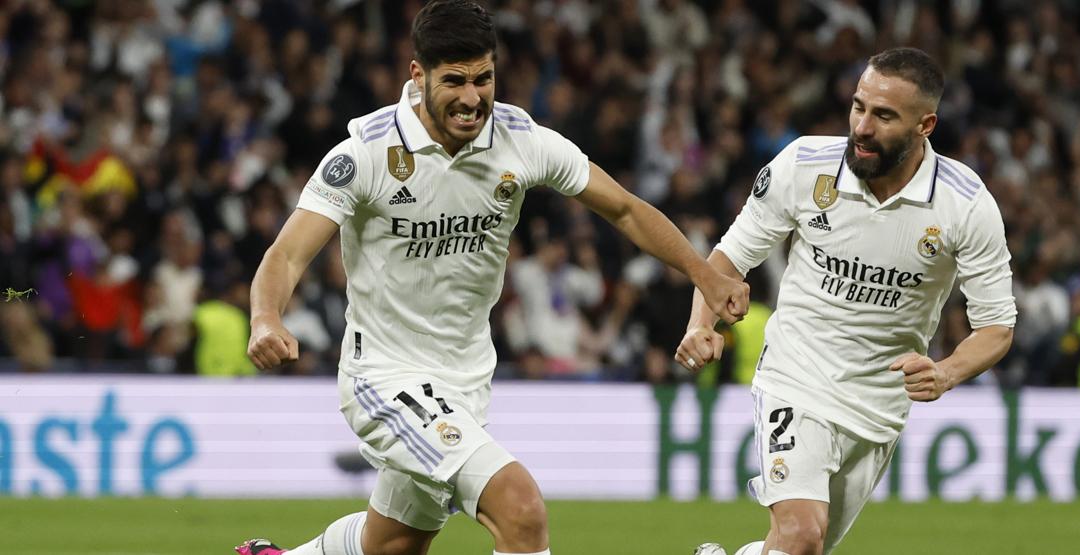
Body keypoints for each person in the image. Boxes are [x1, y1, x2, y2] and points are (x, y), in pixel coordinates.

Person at [235, 2, 749, 555]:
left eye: (484, 78)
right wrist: (266, 317)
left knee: (392, 545)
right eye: (454, 81)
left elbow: (623, 209)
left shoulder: (519, 140)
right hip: (384, 378)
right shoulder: (366, 152)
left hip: (466, 381)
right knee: (519, 506)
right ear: (418, 76)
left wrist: (703, 274)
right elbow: (285, 255)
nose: (472, 97)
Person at [681, 48, 1016, 555]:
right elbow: (726, 260)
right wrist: (699, 324)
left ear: (926, 124)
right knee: (800, 533)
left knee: (798, 548)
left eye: (884, 116)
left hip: (879, 406)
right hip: (797, 375)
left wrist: (947, 372)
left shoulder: (965, 205)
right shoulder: (803, 166)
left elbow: (997, 326)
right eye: (859, 107)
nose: (861, 126)